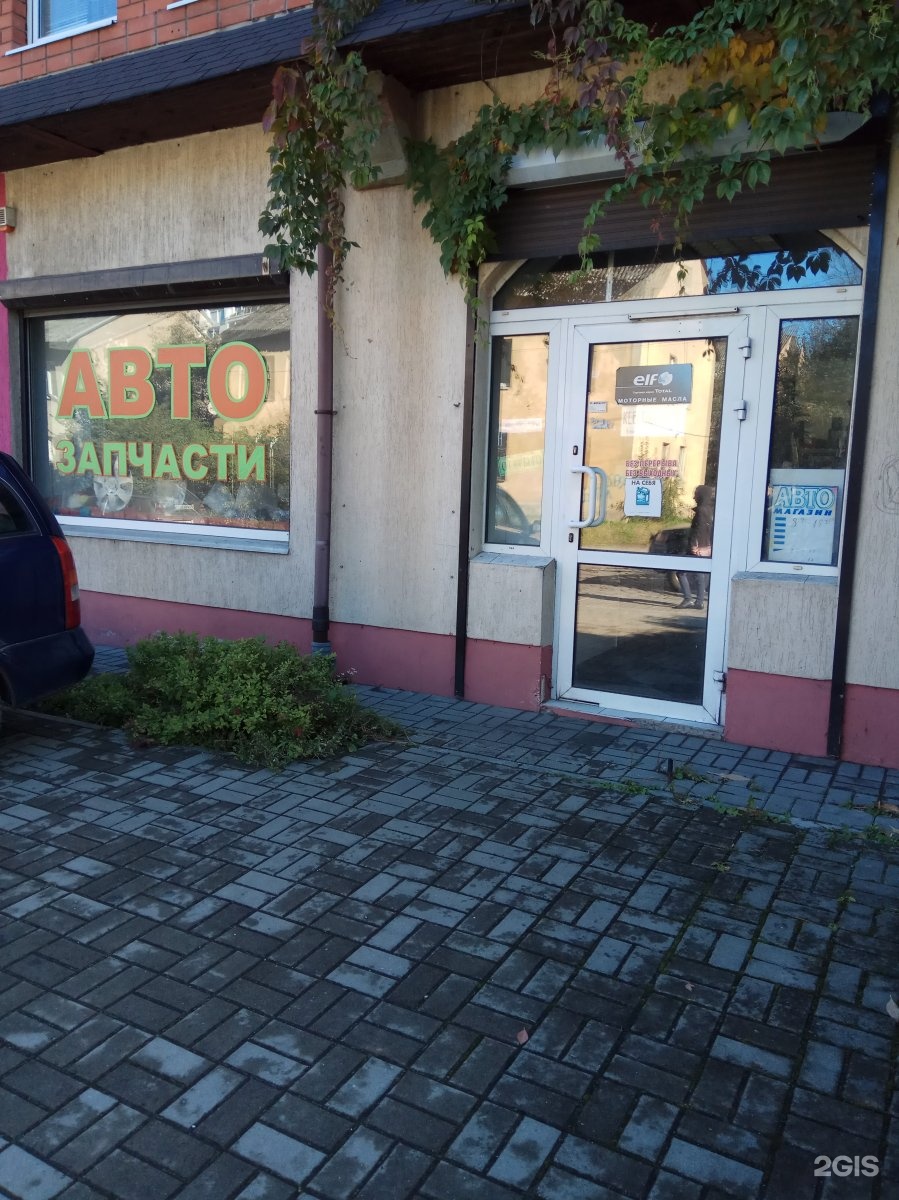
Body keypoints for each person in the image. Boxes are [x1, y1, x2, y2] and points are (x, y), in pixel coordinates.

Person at [678, 484, 715, 608]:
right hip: (706, 547)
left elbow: (698, 530)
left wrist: (694, 545)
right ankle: (699, 601)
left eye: (696, 494)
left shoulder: (701, 511)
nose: (694, 497)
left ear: (701, 496)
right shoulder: (710, 510)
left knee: (681, 572)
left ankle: (688, 599)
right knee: (700, 574)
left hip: (697, 547)